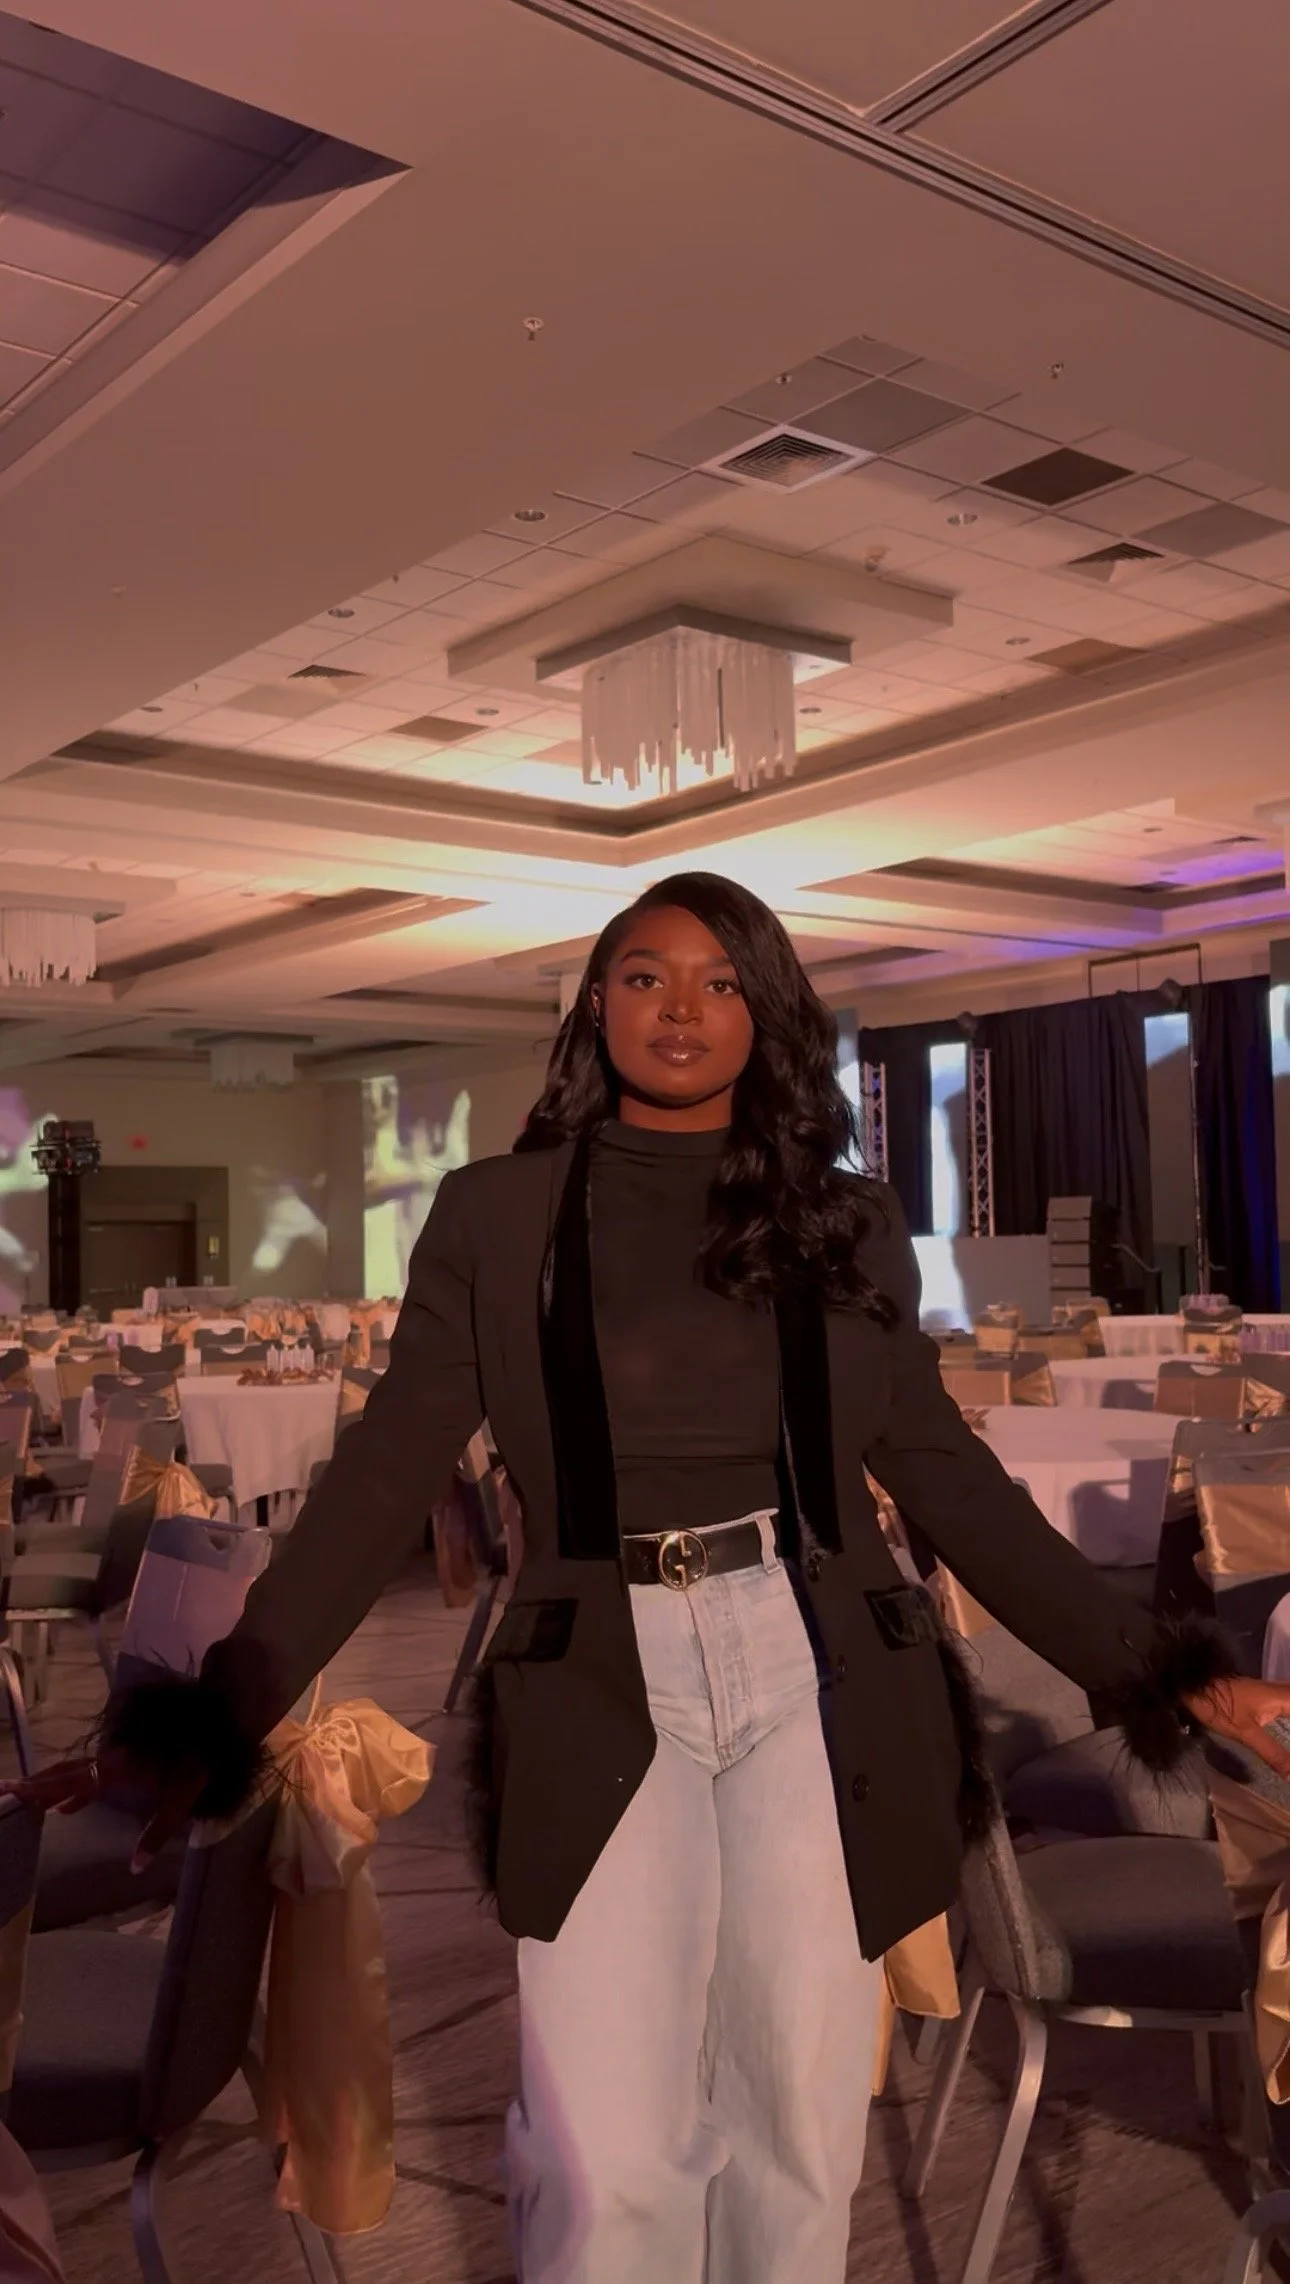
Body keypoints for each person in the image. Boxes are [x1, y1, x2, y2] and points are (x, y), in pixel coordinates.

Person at [11, 871, 1290, 2284]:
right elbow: (380, 1481)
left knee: (797, 2121)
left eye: (719, 981)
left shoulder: (842, 1220)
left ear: (766, 1013)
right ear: (597, 1006)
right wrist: (212, 1710)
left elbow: (944, 1472)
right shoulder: (499, 1215)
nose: (680, 1009)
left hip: (818, 1664)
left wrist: (1158, 1668)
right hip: (598, 1670)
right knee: (605, 2149)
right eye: (643, 976)